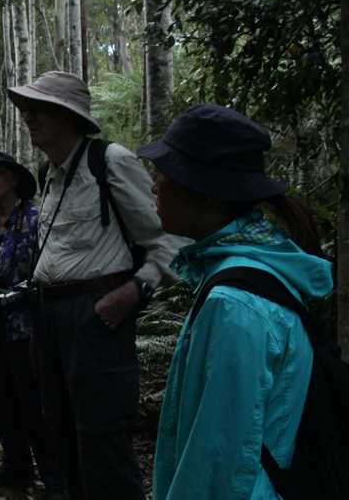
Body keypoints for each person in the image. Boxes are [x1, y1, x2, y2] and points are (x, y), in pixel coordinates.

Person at [137, 104, 333, 499]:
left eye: (165, 173)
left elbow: (219, 462)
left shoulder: (234, 305)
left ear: (205, 192)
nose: (155, 185)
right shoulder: (252, 265)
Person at [7, 71, 186, 500]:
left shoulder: (111, 161)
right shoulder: (50, 174)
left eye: (39, 108)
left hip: (95, 315)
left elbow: (168, 241)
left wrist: (133, 292)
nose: (28, 116)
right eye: (26, 108)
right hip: (49, 317)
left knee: (102, 434)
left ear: (68, 115)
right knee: (60, 428)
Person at [0, 152, 65, 498]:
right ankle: (16, 465)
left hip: (23, 324)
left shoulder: (36, 219)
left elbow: (46, 272)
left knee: (32, 400)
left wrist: (9, 293)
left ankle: (54, 478)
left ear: (15, 180)